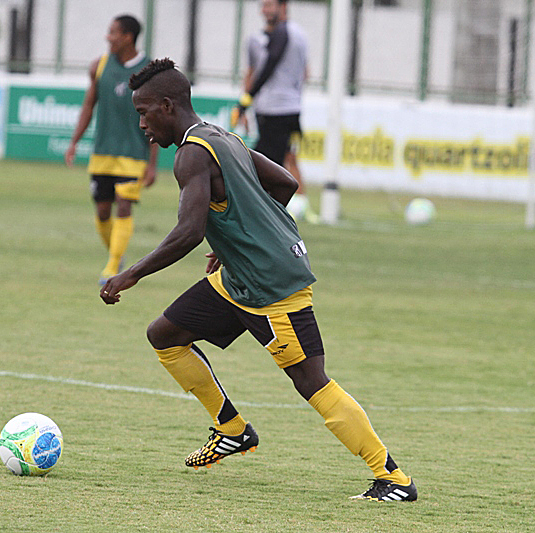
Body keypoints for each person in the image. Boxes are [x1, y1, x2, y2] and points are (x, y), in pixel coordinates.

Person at [101, 58, 417, 502]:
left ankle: (394, 479)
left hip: (272, 287)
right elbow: (284, 184)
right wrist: (236, 240)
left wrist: (130, 274)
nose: (142, 124)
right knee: (165, 335)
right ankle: (231, 428)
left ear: (167, 106)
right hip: (240, 279)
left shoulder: (192, 155)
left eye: (144, 112)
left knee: (312, 381)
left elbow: (189, 232)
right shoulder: (222, 137)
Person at [65, 14, 159, 285]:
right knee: (103, 211)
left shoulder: (148, 71)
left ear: (128, 37)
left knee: (124, 207)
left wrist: (153, 164)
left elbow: (155, 119)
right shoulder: (99, 66)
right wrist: (74, 141)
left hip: (134, 155)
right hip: (103, 153)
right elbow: (87, 106)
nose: (108, 37)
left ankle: (111, 268)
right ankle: (116, 256)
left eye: (113, 33)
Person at [233, 0, 316, 223]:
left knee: (265, 163)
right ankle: (291, 209)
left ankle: (258, 213)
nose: (265, 10)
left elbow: (268, 67)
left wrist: (245, 100)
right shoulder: (295, 34)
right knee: (284, 158)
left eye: (270, 5)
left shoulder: (284, 34)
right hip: (288, 108)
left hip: (276, 109)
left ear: (283, 6)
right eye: (263, 6)